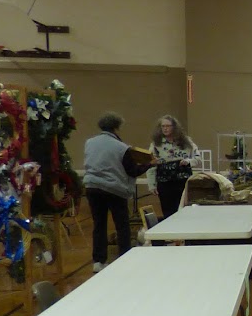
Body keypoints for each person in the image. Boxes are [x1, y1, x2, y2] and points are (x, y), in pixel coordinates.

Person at [83, 112, 153, 271]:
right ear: (116, 127)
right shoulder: (122, 147)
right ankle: (124, 258)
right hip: (114, 189)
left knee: (99, 225)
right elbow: (132, 171)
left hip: (92, 187)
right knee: (122, 225)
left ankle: (98, 261)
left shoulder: (89, 142)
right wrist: (150, 164)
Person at [149, 114, 197, 218]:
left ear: (174, 127)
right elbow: (151, 165)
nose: (165, 128)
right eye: (163, 126)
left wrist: (188, 161)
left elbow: (198, 158)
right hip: (164, 181)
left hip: (182, 180)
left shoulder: (186, 141)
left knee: (184, 210)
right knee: (168, 212)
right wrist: (152, 184)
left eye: (168, 126)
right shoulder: (156, 144)